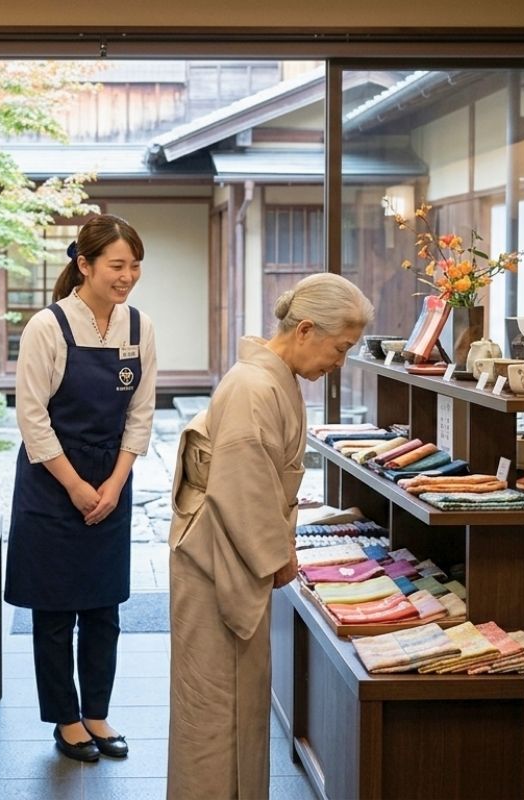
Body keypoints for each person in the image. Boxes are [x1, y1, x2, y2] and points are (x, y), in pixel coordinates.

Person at [166, 273, 373, 799]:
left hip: (227, 553)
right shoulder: (256, 386)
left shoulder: (271, 378)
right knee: (215, 710)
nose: (339, 363)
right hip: (216, 557)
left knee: (233, 704)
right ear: (305, 329)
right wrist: (280, 556)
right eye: (339, 347)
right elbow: (243, 490)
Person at [4, 214, 156, 763]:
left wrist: (115, 483)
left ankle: (97, 711)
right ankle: (66, 719)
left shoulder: (138, 327)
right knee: (54, 609)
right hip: (51, 481)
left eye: (134, 265)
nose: (128, 276)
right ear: (84, 265)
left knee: (103, 606)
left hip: (112, 478)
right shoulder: (48, 326)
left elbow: (141, 414)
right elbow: (32, 416)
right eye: (117, 265)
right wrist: (74, 485)